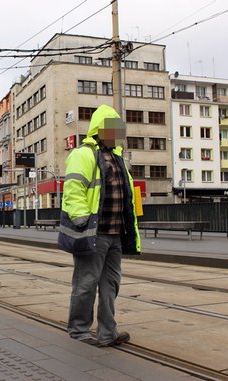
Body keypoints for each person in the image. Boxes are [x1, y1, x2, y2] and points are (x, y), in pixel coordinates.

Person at [58, 104, 140, 347]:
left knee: (110, 284)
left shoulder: (118, 158)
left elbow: (126, 195)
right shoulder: (82, 154)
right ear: (99, 129)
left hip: (116, 233)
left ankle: (107, 333)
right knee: (86, 282)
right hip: (94, 231)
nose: (116, 134)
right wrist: (83, 220)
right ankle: (79, 331)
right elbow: (73, 190)